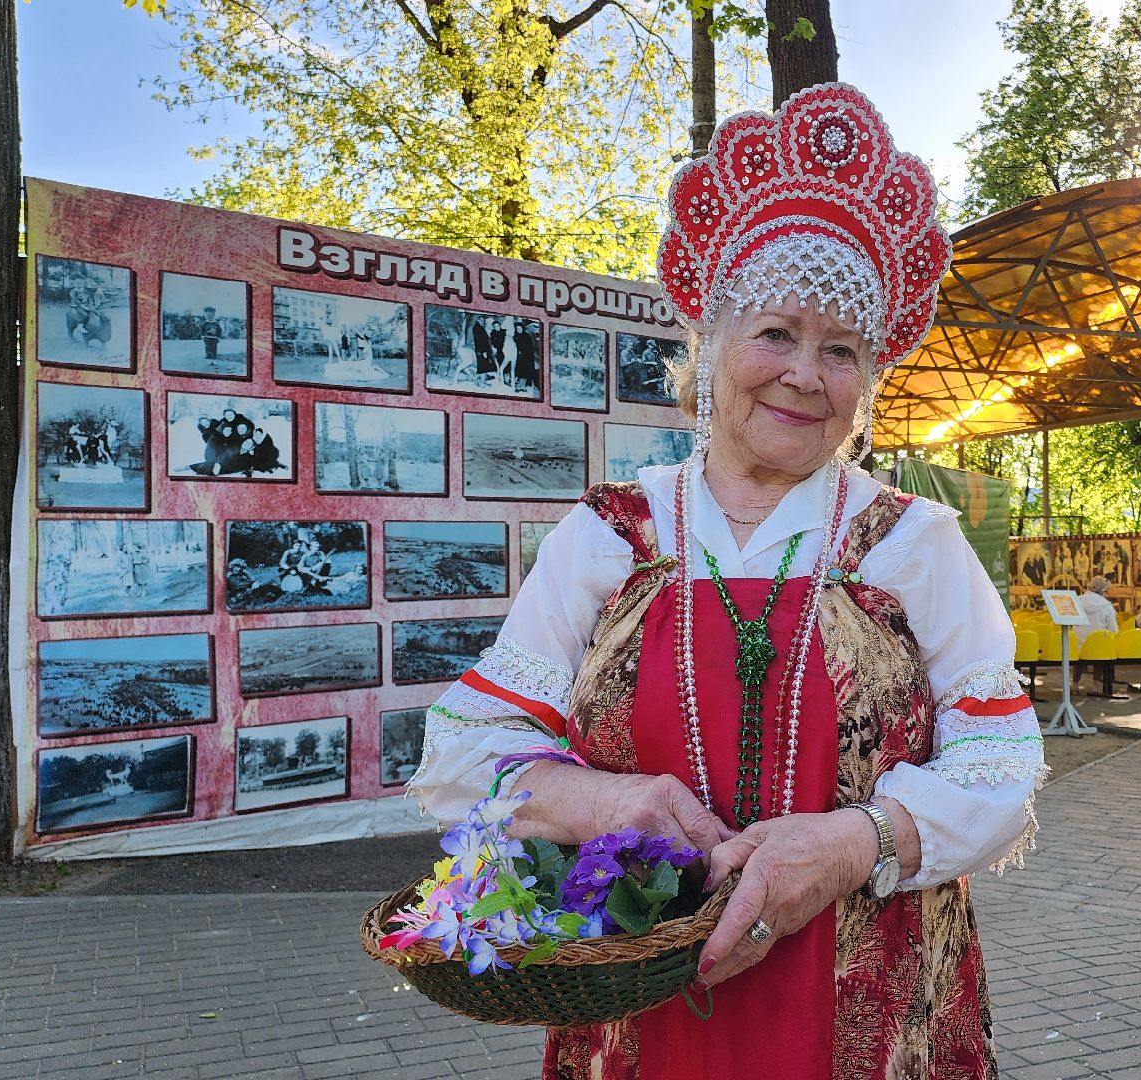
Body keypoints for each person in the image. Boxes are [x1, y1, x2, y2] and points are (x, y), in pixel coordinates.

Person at [408, 84, 1034, 1079]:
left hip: (870, 1007)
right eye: (776, 333)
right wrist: (601, 806)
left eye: (841, 351)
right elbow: (461, 750)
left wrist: (857, 840)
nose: (804, 373)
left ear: (865, 384)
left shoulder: (914, 541)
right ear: (708, 346)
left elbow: (1001, 763)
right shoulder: (614, 532)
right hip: (636, 1003)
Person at [1075, 576, 1120, 692]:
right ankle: (1095, 684)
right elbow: (1114, 630)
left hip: (1078, 645)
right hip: (1097, 648)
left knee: (1079, 659)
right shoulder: (1107, 607)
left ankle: (1074, 684)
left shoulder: (1077, 601)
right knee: (1101, 651)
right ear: (1104, 590)